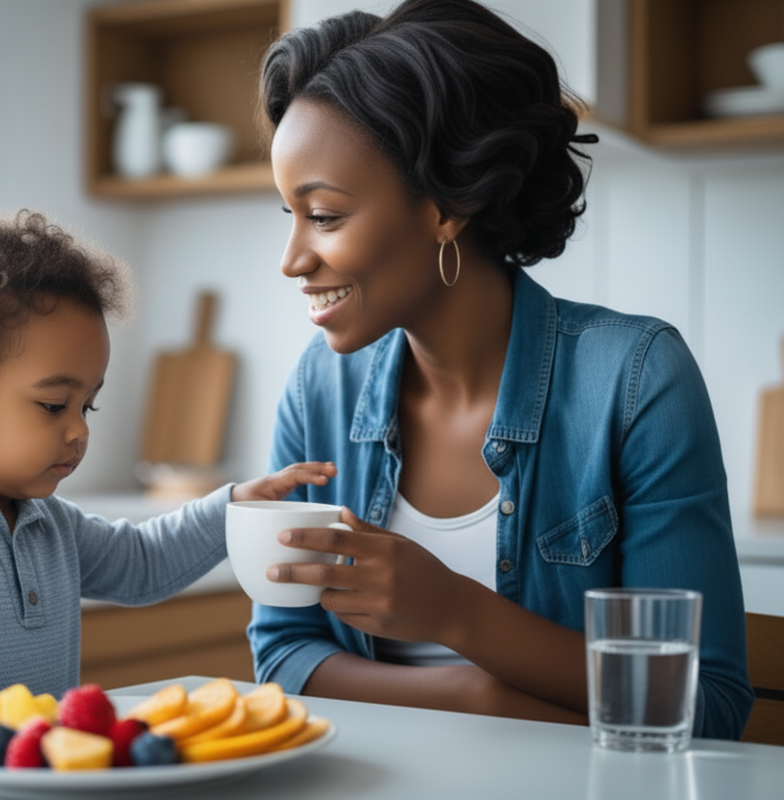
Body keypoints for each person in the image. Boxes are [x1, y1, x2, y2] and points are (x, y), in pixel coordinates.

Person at [248, 0, 753, 739]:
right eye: (287, 215)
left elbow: (705, 702)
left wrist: (456, 612)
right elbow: (285, 653)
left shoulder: (637, 382)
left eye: (323, 215)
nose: (292, 259)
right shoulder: (319, 389)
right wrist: (473, 696)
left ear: (447, 205)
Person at [0, 209, 336, 749]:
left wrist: (235, 504)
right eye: (52, 406)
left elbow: (144, 563)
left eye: (86, 407)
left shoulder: (51, 525)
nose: (78, 432)